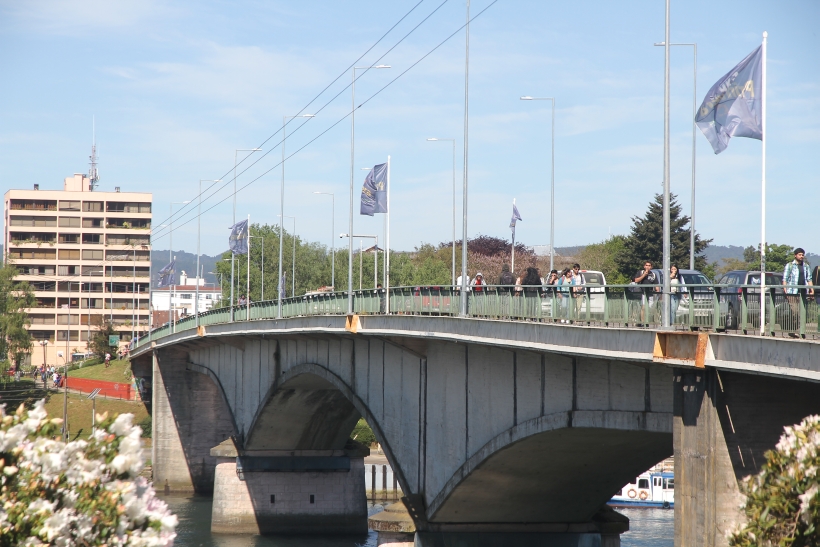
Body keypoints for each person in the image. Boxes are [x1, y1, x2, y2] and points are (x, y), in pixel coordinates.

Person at [782, 248, 814, 324]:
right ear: (795, 255)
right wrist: (785, 290)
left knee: (802, 312)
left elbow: (809, 279)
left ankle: (798, 330)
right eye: (799, 254)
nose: (801, 256)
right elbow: (785, 279)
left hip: (803, 292)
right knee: (795, 311)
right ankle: (794, 328)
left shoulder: (806, 266)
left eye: (802, 255)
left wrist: (812, 290)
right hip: (792, 292)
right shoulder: (790, 265)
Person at [633, 261, 659, 326]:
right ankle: (643, 323)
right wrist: (644, 275)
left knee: (651, 309)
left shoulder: (653, 274)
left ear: (651, 267)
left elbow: (656, 285)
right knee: (643, 308)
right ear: (644, 266)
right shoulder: (640, 272)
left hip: (650, 294)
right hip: (642, 293)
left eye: (649, 265)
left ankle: (653, 322)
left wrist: (658, 292)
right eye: (646, 265)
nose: (648, 267)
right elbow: (636, 280)